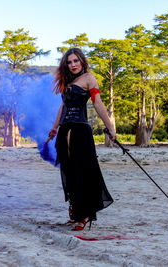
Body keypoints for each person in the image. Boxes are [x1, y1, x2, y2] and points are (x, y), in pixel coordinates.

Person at [48, 48, 117, 231]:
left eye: (75, 61)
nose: (72, 65)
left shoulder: (89, 78)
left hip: (80, 131)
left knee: (82, 171)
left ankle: (85, 214)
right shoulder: (68, 81)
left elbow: (98, 103)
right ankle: (76, 210)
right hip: (65, 131)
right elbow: (63, 107)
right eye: (69, 62)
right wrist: (55, 128)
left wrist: (110, 127)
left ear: (82, 61)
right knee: (69, 171)